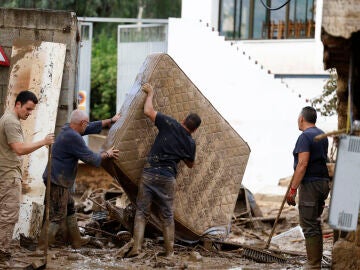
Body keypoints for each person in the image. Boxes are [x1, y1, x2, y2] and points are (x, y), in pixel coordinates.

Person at [127, 83, 201, 258]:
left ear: (183, 120)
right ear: (195, 129)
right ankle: (169, 252)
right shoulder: (191, 143)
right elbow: (190, 164)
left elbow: (148, 111)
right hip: (168, 177)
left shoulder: (170, 123)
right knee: (167, 215)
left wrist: (151, 93)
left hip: (150, 172)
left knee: (142, 211)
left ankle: (137, 248)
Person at [38, 109, 120, 249]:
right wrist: (107, 153)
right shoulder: (73, 137)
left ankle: (77, 240)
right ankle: (41, 249)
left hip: (58, 178)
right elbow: (92, 159)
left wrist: (110, 121)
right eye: (85, 124)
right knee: (56, 215)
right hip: (58, 181)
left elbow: (90, 126)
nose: (87, 127)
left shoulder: (68, 128)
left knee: (69, 207)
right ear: (82, 123)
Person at [0, 90, 54, 255]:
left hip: (6, 173)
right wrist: (43, 141)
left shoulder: (8, 119)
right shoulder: (11, 122)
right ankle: (2, 252)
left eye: (32, 110)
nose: (29, 113)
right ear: (18, 104)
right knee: (8, 216)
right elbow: (19, 149)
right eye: (28, 109)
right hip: (8, 175)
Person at [286, 106, 330, 269]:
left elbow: (303, 164)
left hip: (310, 184)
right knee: (314, 222)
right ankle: (315, 262)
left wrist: (292, 189)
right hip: (323, 183)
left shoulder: (304, 137)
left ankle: (313, 265)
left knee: (308, 224)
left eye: (298, 117)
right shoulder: (322, 134)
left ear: (302, 119)